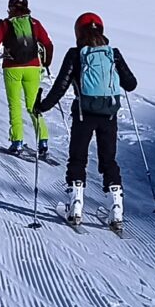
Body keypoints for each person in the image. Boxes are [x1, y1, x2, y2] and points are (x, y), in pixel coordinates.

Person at [35, 12, 139, 226]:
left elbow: (60, 87)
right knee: (108, 159)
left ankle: (75, 207)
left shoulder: (76, 54)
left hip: (84, 114)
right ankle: (116, 210)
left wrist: (42, 106)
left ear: (77, 32)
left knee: (78, 158)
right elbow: (131, 84)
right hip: (108, 114)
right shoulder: (113, 53)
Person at [0, 0, 54, 158]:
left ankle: (17, 142)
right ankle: (43, 140)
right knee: (33, 105)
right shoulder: (34, 23)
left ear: (10, 7)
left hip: (12, 68)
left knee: (15, 104)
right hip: (33, 67)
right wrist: (46, 63)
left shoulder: (5, 25)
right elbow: (48, 44)